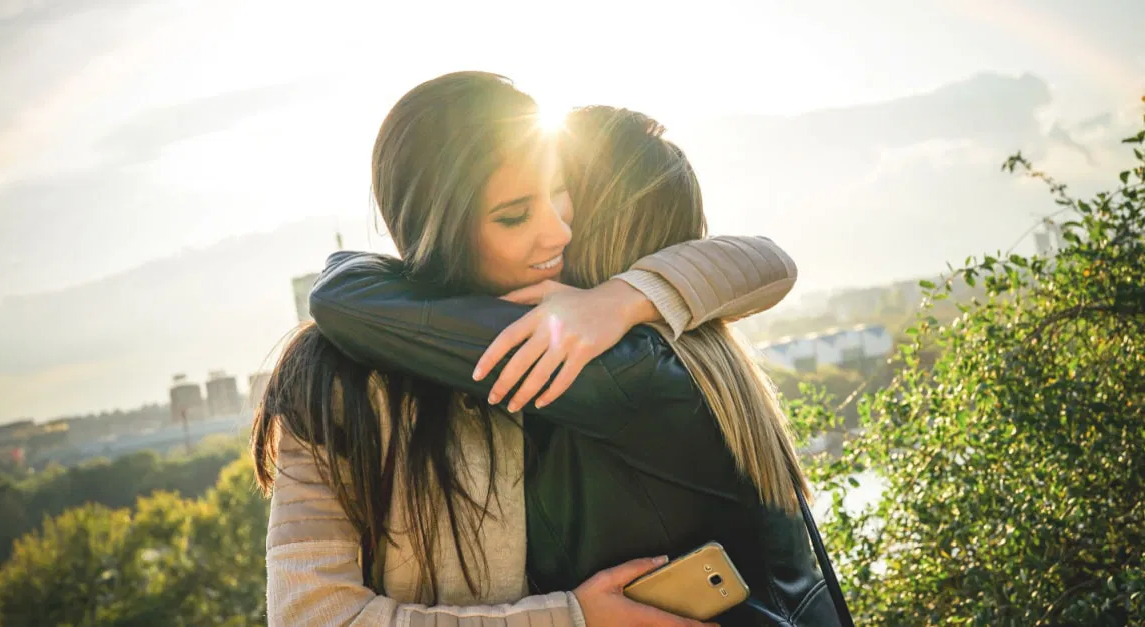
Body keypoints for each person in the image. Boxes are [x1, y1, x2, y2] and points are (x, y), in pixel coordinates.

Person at [256, 72, 796, 626]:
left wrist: (621, 298)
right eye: (514, 215)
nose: (558, 232)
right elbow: (308, 616)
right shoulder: (334, 378)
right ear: (440, 228)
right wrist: (570, 618)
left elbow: (769, 262)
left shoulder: (584, 349)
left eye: (560, 192)